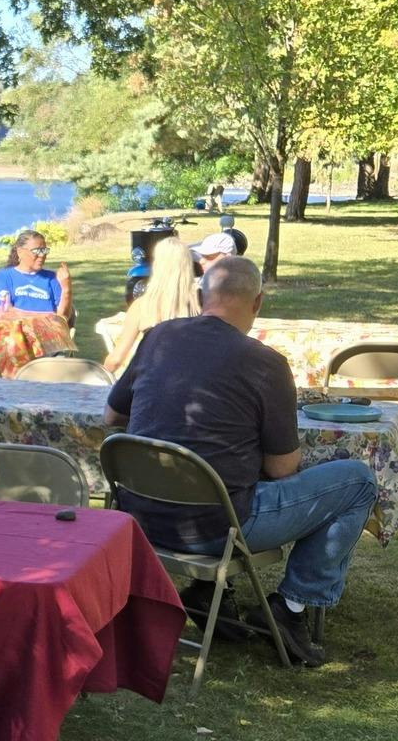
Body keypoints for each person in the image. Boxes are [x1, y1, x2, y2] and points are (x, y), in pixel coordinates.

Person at [102, 256, 375, 667]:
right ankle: (292, 607)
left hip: (139, 517)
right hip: (216, 529)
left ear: (199, 297)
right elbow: (283, 468)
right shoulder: (266, 363)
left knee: (225, 475)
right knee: (357, 481)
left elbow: (112, 419)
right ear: (258, 302)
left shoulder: (157, 338)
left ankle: (209, 592)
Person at [104, 235, 201, 377]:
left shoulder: (143, 305)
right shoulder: (203, 301)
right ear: (188, 263)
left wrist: (99, 374)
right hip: (195, 381)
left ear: (157, 264)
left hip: (154, 381)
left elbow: (116, 359)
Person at [0, 228, 73, 326]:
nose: (42, 255)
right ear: (20, 252)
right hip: (17, 331)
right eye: (37, 251)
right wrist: (42, 318)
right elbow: (5, 312)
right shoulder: (4, 276)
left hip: (48, 334)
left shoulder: (52, 278)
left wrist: (67, 289)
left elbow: (63, 318)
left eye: (44, 251)